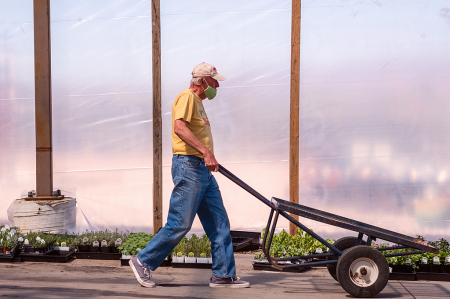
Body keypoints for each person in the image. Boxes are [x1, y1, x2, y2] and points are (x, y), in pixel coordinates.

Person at [129, 62, 250, 288]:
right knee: (179, 223)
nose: (217, 86)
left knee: (218, 223)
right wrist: (205, 152)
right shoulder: (186, 97)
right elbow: (179, 128)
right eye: (214, 81)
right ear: (202, 80)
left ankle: (223, 274)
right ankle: (142, 261)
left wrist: (207, 157)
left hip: (201, 169)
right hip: (189, 167)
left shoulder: (199, 104)